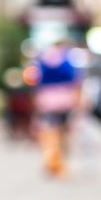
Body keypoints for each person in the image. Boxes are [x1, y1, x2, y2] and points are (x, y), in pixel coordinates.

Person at [31, 39, 81, 177]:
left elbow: (36, 80)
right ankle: (61, 162)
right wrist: (78, 99)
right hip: (65, 99)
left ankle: (51, 160)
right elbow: (74, 80)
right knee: (64, 132)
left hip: (47, 100)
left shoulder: (43, 60)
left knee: (50, 131)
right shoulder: (67, 59)